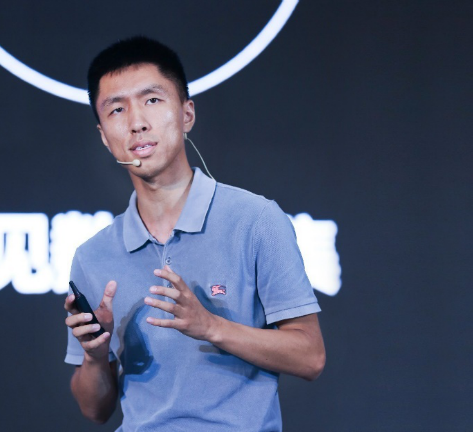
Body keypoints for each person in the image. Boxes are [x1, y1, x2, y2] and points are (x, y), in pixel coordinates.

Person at [64, 36, 325, 431]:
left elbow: (310, 356)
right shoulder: (93, 255)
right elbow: (94, 409)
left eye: (152, 100)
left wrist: (211, 326)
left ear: (187, 114)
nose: (137, 122)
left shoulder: (255, 220)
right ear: (104, 136)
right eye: (117, 109)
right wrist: (95, 357)